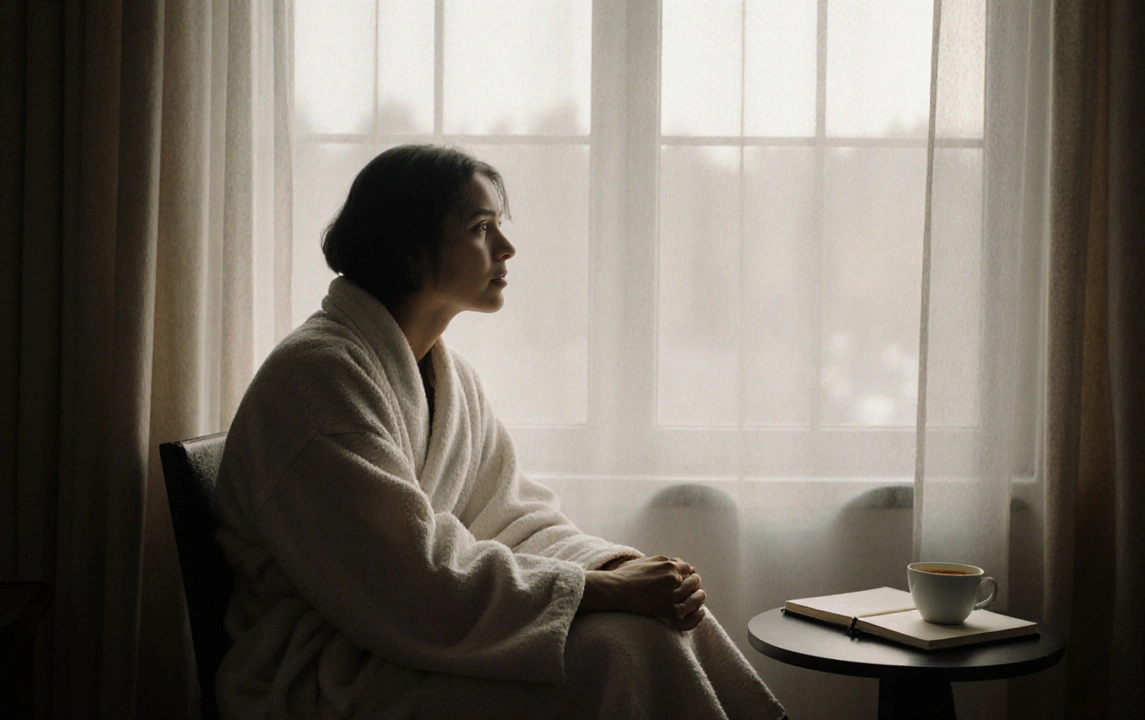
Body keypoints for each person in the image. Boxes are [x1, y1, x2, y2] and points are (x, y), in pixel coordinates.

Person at [214, 145, 785, 719]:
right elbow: (408, 578)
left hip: (408, 633)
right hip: (332, 664)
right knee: (623, 649)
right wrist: (606, 591)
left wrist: (620, 570)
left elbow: (513, 520)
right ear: (412, 252)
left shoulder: (448, 374)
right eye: (481, 228)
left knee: (656, 622)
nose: (507, 248)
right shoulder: (319, 376)